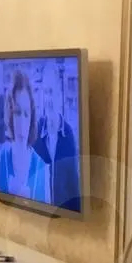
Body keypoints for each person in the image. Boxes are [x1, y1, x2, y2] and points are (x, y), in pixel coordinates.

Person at [31, 60, 83, 212]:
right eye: (46, 92)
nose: (48, 99)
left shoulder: (68, 134)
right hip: (37, 210)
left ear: (59, 95)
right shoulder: (36, 131)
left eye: (52, 92)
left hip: (62, 216)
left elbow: (73, 187)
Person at [0, 71, 50, 203]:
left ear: (32, 118)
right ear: (10, 115)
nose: (22, 123)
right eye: (17, 113)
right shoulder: (3, 157)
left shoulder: (41, 167)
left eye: (26, 114)